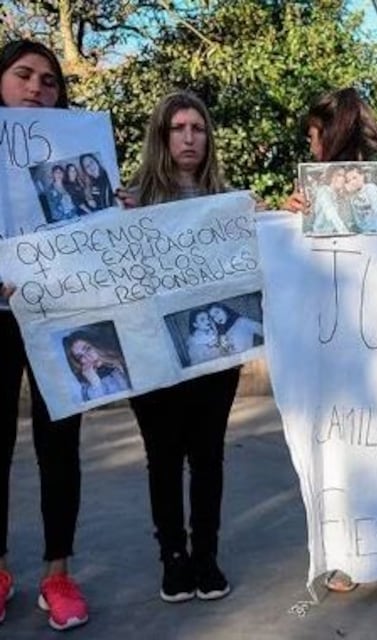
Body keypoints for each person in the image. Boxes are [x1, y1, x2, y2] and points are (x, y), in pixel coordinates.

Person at [283, 88, 377, 592]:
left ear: (333, 131)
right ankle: (349, 553)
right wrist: (289, 216)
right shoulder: (315, 186)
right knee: (346, 449)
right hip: (339, 340)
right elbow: (298, 258)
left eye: (313, 135)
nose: (311, 146)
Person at [121, 91, 240, 603]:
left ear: (208, 137)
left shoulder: (229, 202)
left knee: (208, 456)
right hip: (151, 350)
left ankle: (206, 555)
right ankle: (173, 556)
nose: (189, 138)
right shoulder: (129, 203)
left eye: (198, 128)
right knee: (163, 457)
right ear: (161, 137)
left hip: (214, 351)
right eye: (178, 128)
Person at [0, 39, 89, 631]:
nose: (36, 87)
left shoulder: (80, 153)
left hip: (63, 314)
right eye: (23, 74)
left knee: (60, 447)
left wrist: (114, 208)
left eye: (49, 81)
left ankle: (58, 574)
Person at [284, 87, 377, 219]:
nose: (311, 149)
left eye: (311, 138)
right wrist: (289, 213)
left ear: (330, 135)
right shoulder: (315, 184)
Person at [64, 331, 131, 401]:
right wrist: (96, 384)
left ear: (96, 344)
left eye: (88, 349)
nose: (87, 357)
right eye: (80, 356)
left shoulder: (123, 358)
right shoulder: (87, 388)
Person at [343, 166, 377, 232]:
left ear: (362, 176)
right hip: (364, 231)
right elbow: (354, 217)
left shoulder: (371, 189)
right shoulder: (352, 196)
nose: (352, 182)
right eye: (349, 180)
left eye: (354, 178)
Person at [307, 167, 352, 235]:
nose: (343, 179)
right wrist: (345, 232)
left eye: (344, 176)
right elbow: (331, 214)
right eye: (339, 175)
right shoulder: (324, 191)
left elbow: (347, 218)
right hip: (321, 234)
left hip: (333, 235)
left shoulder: (337, 195)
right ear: (332, 177)